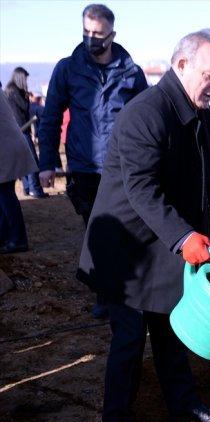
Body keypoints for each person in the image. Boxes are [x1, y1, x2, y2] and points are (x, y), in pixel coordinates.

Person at [77, 29, 210, 422]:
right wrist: (184, 237)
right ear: (181, 65)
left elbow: (205, 187)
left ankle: (182, 400)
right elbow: (142, 188)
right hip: (125, 249)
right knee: (129, 338)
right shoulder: (145, 113)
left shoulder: (202, 114)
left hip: (161, 243)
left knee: (170, 325)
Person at [38, 3, 147, 225]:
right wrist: (47, 163)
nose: (91, 38)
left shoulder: (132, 74)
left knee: (125, 232)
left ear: (111, 35)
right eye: (86, 32)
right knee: (95, 230)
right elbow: (50, 118)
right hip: (83, 169)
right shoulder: (68, 69)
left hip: (122, 167)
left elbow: (146, 123)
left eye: (97, 33)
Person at [3, 67, 47, 199]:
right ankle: (35, 189)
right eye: (26, 79)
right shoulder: (15, 92)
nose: (27, 81)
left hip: (15, 131)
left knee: (22, 162)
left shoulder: (8, 91)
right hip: (21, 130)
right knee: (31, 160)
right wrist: (27, 96)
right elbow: (25, 108)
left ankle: (28, 188)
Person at [0, 93, 36, 254]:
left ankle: (18, 239)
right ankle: (6, 237)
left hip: (5, 148)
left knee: (5, 195)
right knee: (4, 196)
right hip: (9, 146)